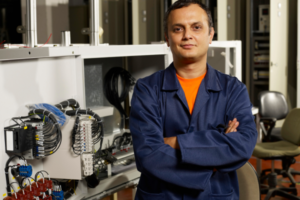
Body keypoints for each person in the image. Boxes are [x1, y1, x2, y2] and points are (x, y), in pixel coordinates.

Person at [129, 0, 257, 199]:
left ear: (210, 35)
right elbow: (148, 154)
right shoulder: (147, 89)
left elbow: (242, 145)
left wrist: (175, 142)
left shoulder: (233, 89)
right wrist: (214, 158)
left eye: (196, 27)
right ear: (167, 37)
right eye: (178, 29)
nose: (187, 35)